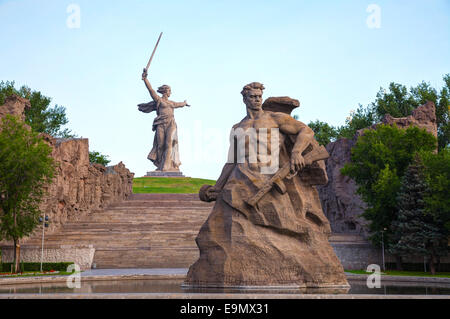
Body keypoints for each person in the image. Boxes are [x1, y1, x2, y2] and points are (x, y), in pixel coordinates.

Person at [185, 82, 348, 289]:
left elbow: (306, 131)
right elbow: (231, 161)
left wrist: (297, 152)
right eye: (253, 96)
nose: (257, 100)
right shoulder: (237, 128)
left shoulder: (274, 119)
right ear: (244, 99)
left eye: (259, 96)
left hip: (270, 178)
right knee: (213, 228)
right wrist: (217, 187)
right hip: (240, 178)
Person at [139, 69, 189, 171]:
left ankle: (167, 165)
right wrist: (145, 79)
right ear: (165, 91)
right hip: (161, 124)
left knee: (169, 143)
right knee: (160, 145)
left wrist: (184, 103)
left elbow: (180, 104)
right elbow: (151, 90)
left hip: (171, 123)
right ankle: (161, 165)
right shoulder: (159, 100)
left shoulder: (172, 103)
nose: (171, 92)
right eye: (169, 90)